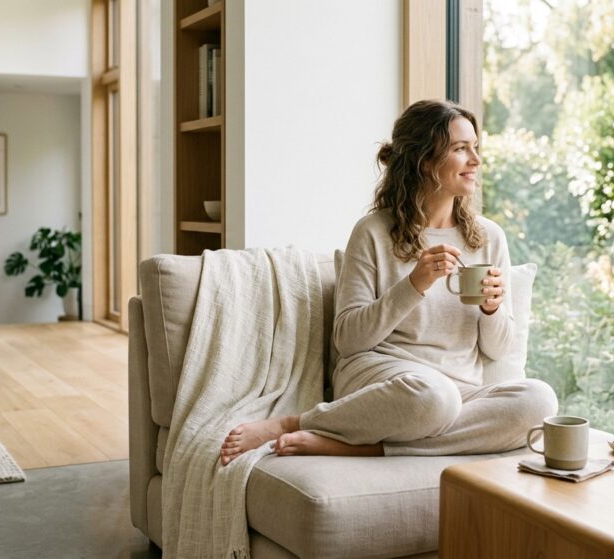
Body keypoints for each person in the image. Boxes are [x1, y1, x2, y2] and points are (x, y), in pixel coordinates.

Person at [220, 99, 558, 465]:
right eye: (462, 149)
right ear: (425, 161)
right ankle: (294, 423)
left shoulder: (488, 237)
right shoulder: (374, 233)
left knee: (540, 401)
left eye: (475, 148)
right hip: (384, 377)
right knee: (434, 397)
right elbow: (349, 341)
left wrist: (491, 308)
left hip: (459, 389)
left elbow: (497, 350)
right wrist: (414, 284)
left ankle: (373, 445)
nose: (476, 160)